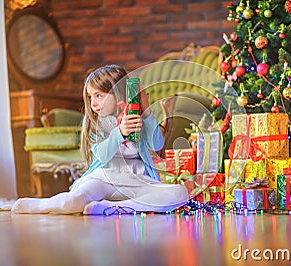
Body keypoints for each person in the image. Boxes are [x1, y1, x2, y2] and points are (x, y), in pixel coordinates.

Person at [11, 64, 189, 215]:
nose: (93, 103)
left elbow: (157, 144)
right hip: (105, 176)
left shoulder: (137, 117)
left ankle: (113, 208)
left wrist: (146, 110)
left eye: (99, 96)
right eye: (90, 97)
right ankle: (42, 204)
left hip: (136, 177)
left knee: (180, 193)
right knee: (73, 202)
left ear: (118, 93)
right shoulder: (96, 123)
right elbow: (102, 156)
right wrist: (120, 132)